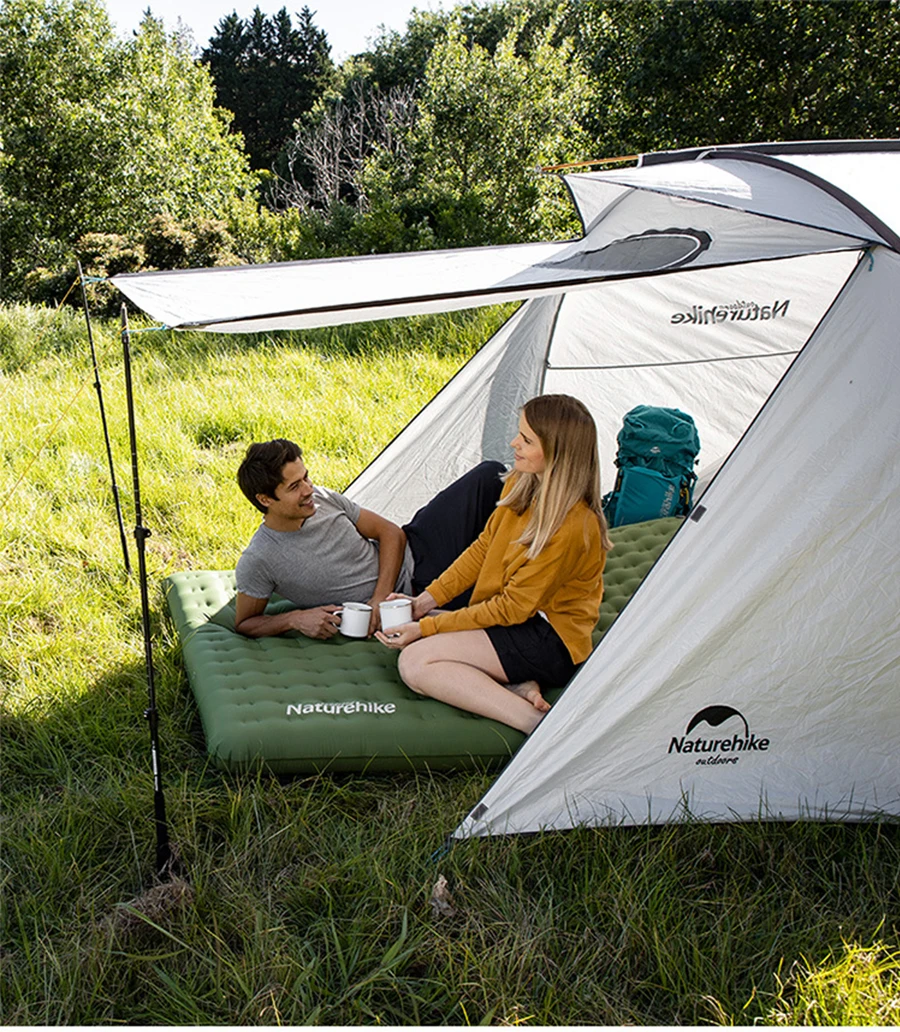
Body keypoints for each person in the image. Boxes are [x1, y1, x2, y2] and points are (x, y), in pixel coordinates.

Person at [375, 394, 612, 735]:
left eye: (527, 440)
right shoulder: (522, 483)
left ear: (556, 452)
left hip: (550, 640)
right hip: (517, 622)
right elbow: (483, 550)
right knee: (416, 625)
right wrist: (423, 603)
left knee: (414, 662)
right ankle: (516, 683)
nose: (514, 443)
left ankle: (540, 728)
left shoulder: (573, 525)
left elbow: (512, 609)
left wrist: (427, 628)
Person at [233, 438, 505, 639]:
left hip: (417, 547)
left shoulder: (322, 498)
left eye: (306, 478)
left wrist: (378, 597)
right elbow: (245, 623)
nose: (308, 490)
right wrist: (294, 619)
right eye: (295, 486)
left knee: (490, 475)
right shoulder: (260, 559)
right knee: (498, 586)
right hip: (414, 597)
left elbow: (390, 533)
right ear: (265, 499)